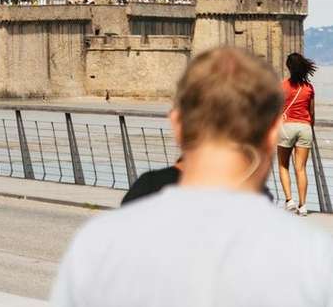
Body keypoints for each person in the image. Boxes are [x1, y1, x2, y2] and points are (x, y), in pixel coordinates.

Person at [50, 46, 333, 307]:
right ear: (273, 133)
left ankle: (290, 198)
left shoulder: (97, 246)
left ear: (177, 125)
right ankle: (300, 201)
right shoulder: (313, 259)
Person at [278, 52, 316, 216]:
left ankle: (289, 200)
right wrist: (309, 126)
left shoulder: (283, 86)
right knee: (301, 168)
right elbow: (312, 112)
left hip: (287, 127)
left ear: (289, 67)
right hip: (305, 127)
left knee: (283, 164)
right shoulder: (309, 88)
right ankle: (303, 205)